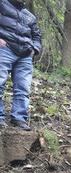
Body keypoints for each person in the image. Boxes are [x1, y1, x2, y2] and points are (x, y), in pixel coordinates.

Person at [0, 0, 42, 131]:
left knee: (23, 88)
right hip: (5, 48)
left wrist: (34, 49)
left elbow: (37, 36)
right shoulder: (2, 4)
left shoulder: (30, 16)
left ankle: (19, 118)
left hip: (25, 55)